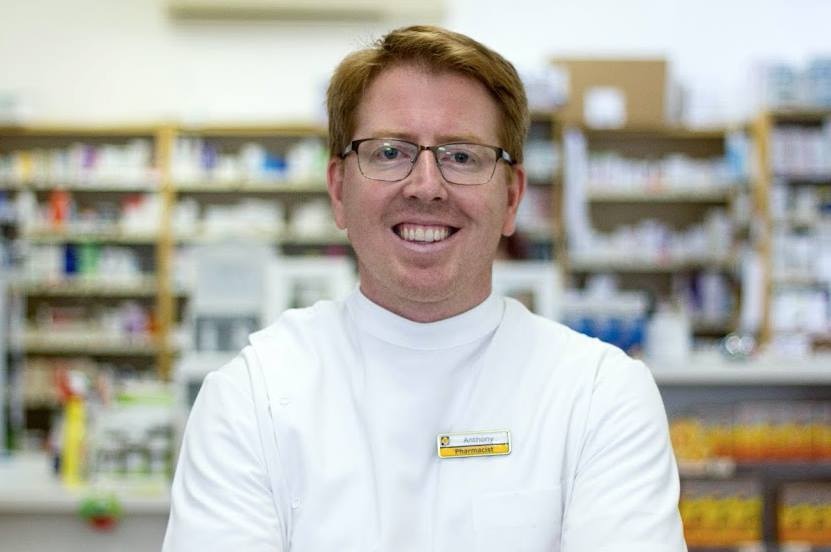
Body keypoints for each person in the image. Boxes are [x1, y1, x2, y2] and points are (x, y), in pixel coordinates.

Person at [162, 25, 686, 551]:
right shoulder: (252, 398)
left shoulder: (598, 395)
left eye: (462, 156)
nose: (427, 186)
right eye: (390, 152)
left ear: (511, 197)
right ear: (339, 190)